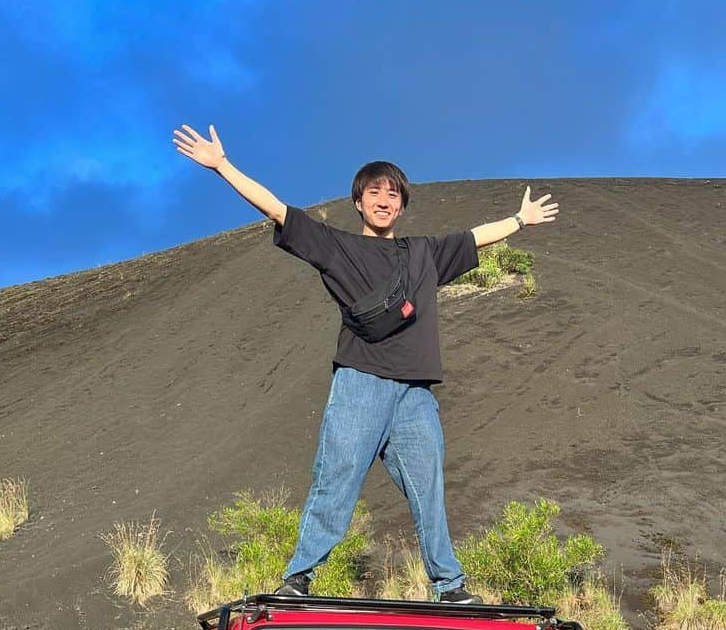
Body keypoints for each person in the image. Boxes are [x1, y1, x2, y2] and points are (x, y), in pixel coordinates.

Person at [173, 123, 558, 602]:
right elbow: (277, 209)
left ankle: (450, 585)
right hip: (362, 383)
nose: (384, 200)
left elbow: (476, 238)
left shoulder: (424, 254)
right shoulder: (339, 247)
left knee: (428, 488)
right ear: (358, 201)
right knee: (337, 476)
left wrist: (519, 221)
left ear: (402, 205)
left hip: (415, 392)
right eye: (374, 192)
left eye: (393, 194)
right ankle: (299, 579)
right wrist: (222, 166)